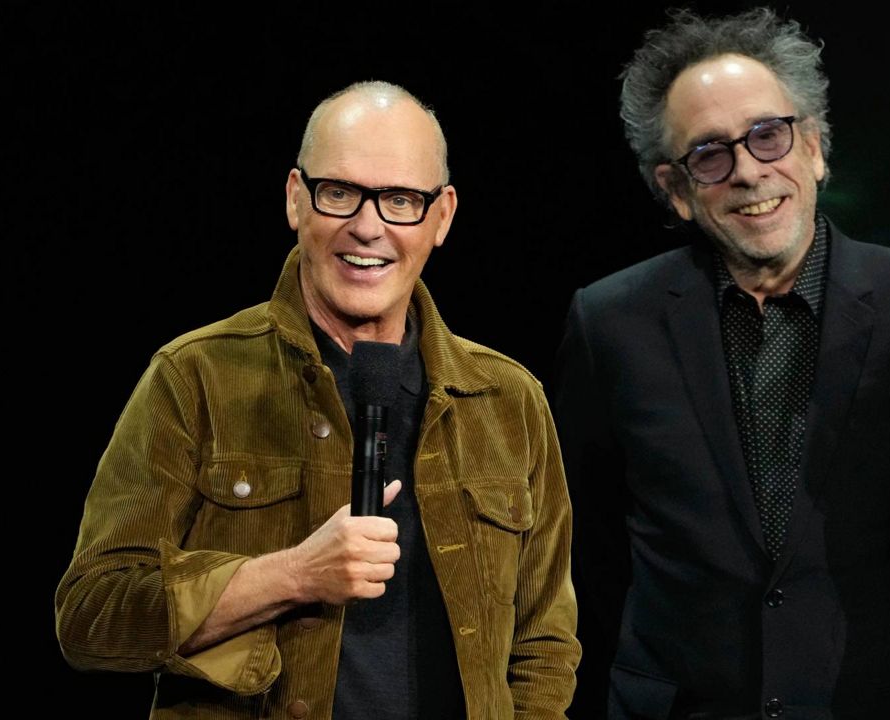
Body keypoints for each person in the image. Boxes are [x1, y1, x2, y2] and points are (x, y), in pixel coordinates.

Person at [56, 81, 579, 719]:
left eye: (400, 200)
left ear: (441, 217)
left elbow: (543, 643)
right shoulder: (195, 377)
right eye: (340, 193)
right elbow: (92, 617)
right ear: (296, 200)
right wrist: (292, 576)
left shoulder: (507, 399)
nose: (368, 226)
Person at [554, 8, 890, 719]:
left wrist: (878, 662)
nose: (747, 172)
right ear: (675, 190)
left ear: (817, 147)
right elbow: (590, 542)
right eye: (710, 154)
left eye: (768, 135)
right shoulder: (608, 323)